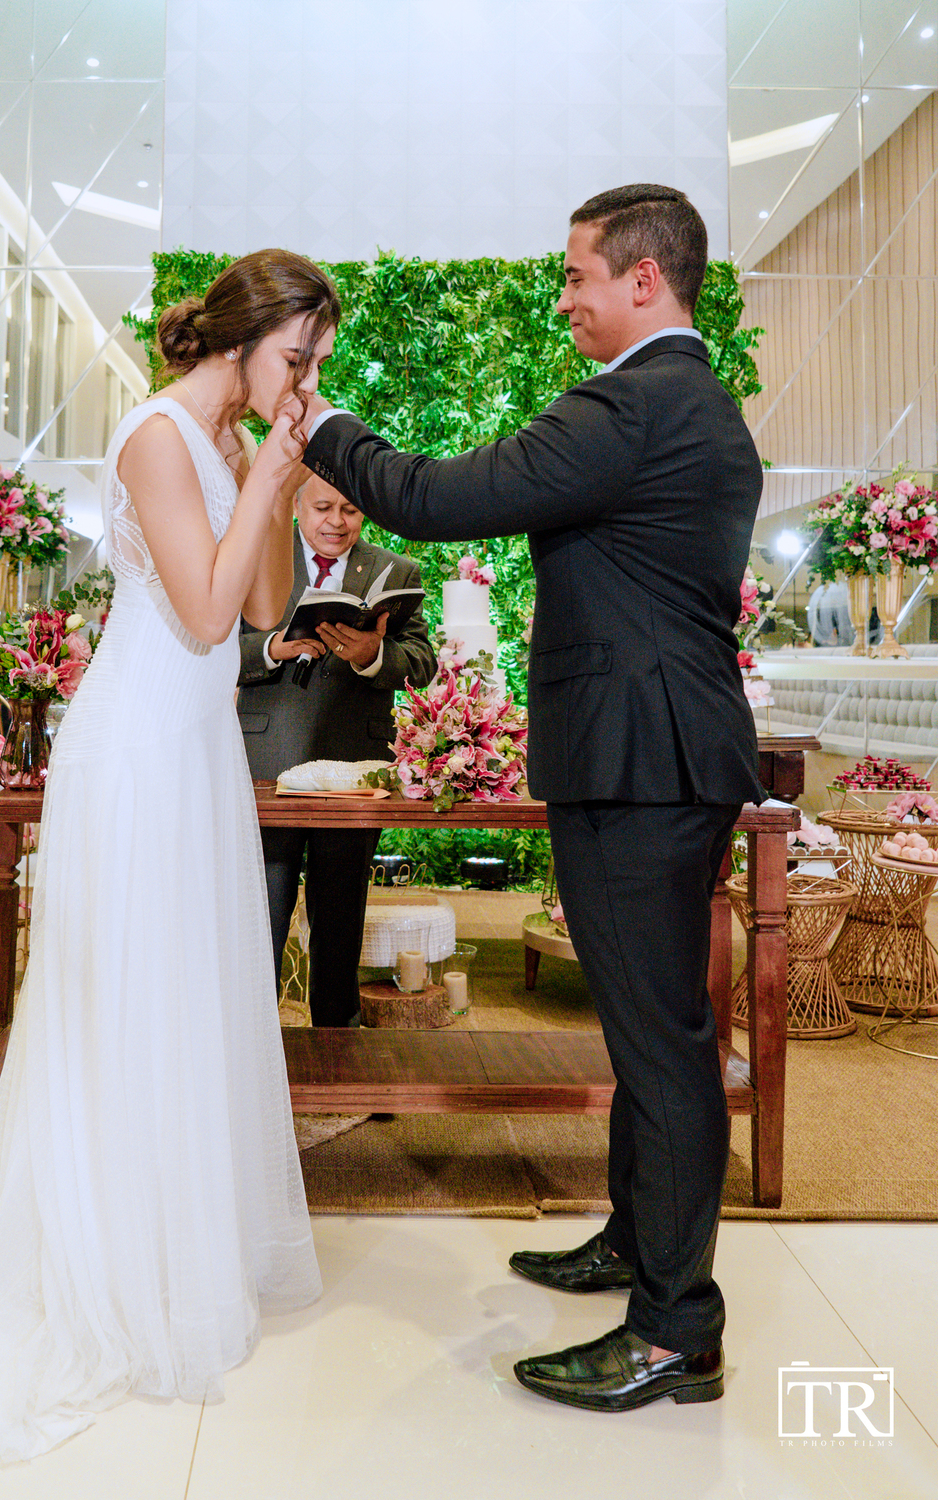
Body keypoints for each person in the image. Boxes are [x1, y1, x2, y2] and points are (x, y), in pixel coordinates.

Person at [0, 248, 339, 1478]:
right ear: (247, 336)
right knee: (119, 1006)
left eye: (315, 363)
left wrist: (280, 473)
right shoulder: (161, 439)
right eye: (298, 356)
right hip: (134, 753)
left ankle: (176, 1257)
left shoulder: (228, 448)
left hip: (197, 752)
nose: (307, 377)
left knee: (191, 1004)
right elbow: (204, 615)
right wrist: (268, 465)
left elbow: (270, 611)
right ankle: (105, 1268)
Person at [301, 185, 765, 1412]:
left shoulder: (638, 402)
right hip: (658, 754)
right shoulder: (691, 406)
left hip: (640, 763)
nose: (562, 300)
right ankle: (636, 1241)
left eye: (576, 278)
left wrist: (327, 423)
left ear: (644, 282)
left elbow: (441, 500)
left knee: (664, 1048)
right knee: (643, 1026)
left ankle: (675, 1331)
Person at [238, 475, 436, 1026]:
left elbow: (422, 660)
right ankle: (252, 1059)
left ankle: (338, 1050)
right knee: (261, 920)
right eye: (323, 506)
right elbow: (211, 648)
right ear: (296, 505)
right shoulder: (258, 557)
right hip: (267, 762)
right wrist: (273, 649)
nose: (336, 521)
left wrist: (375, 654)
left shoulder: (395, 571)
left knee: (342, 917)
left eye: (350, 509)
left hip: (356, 767)